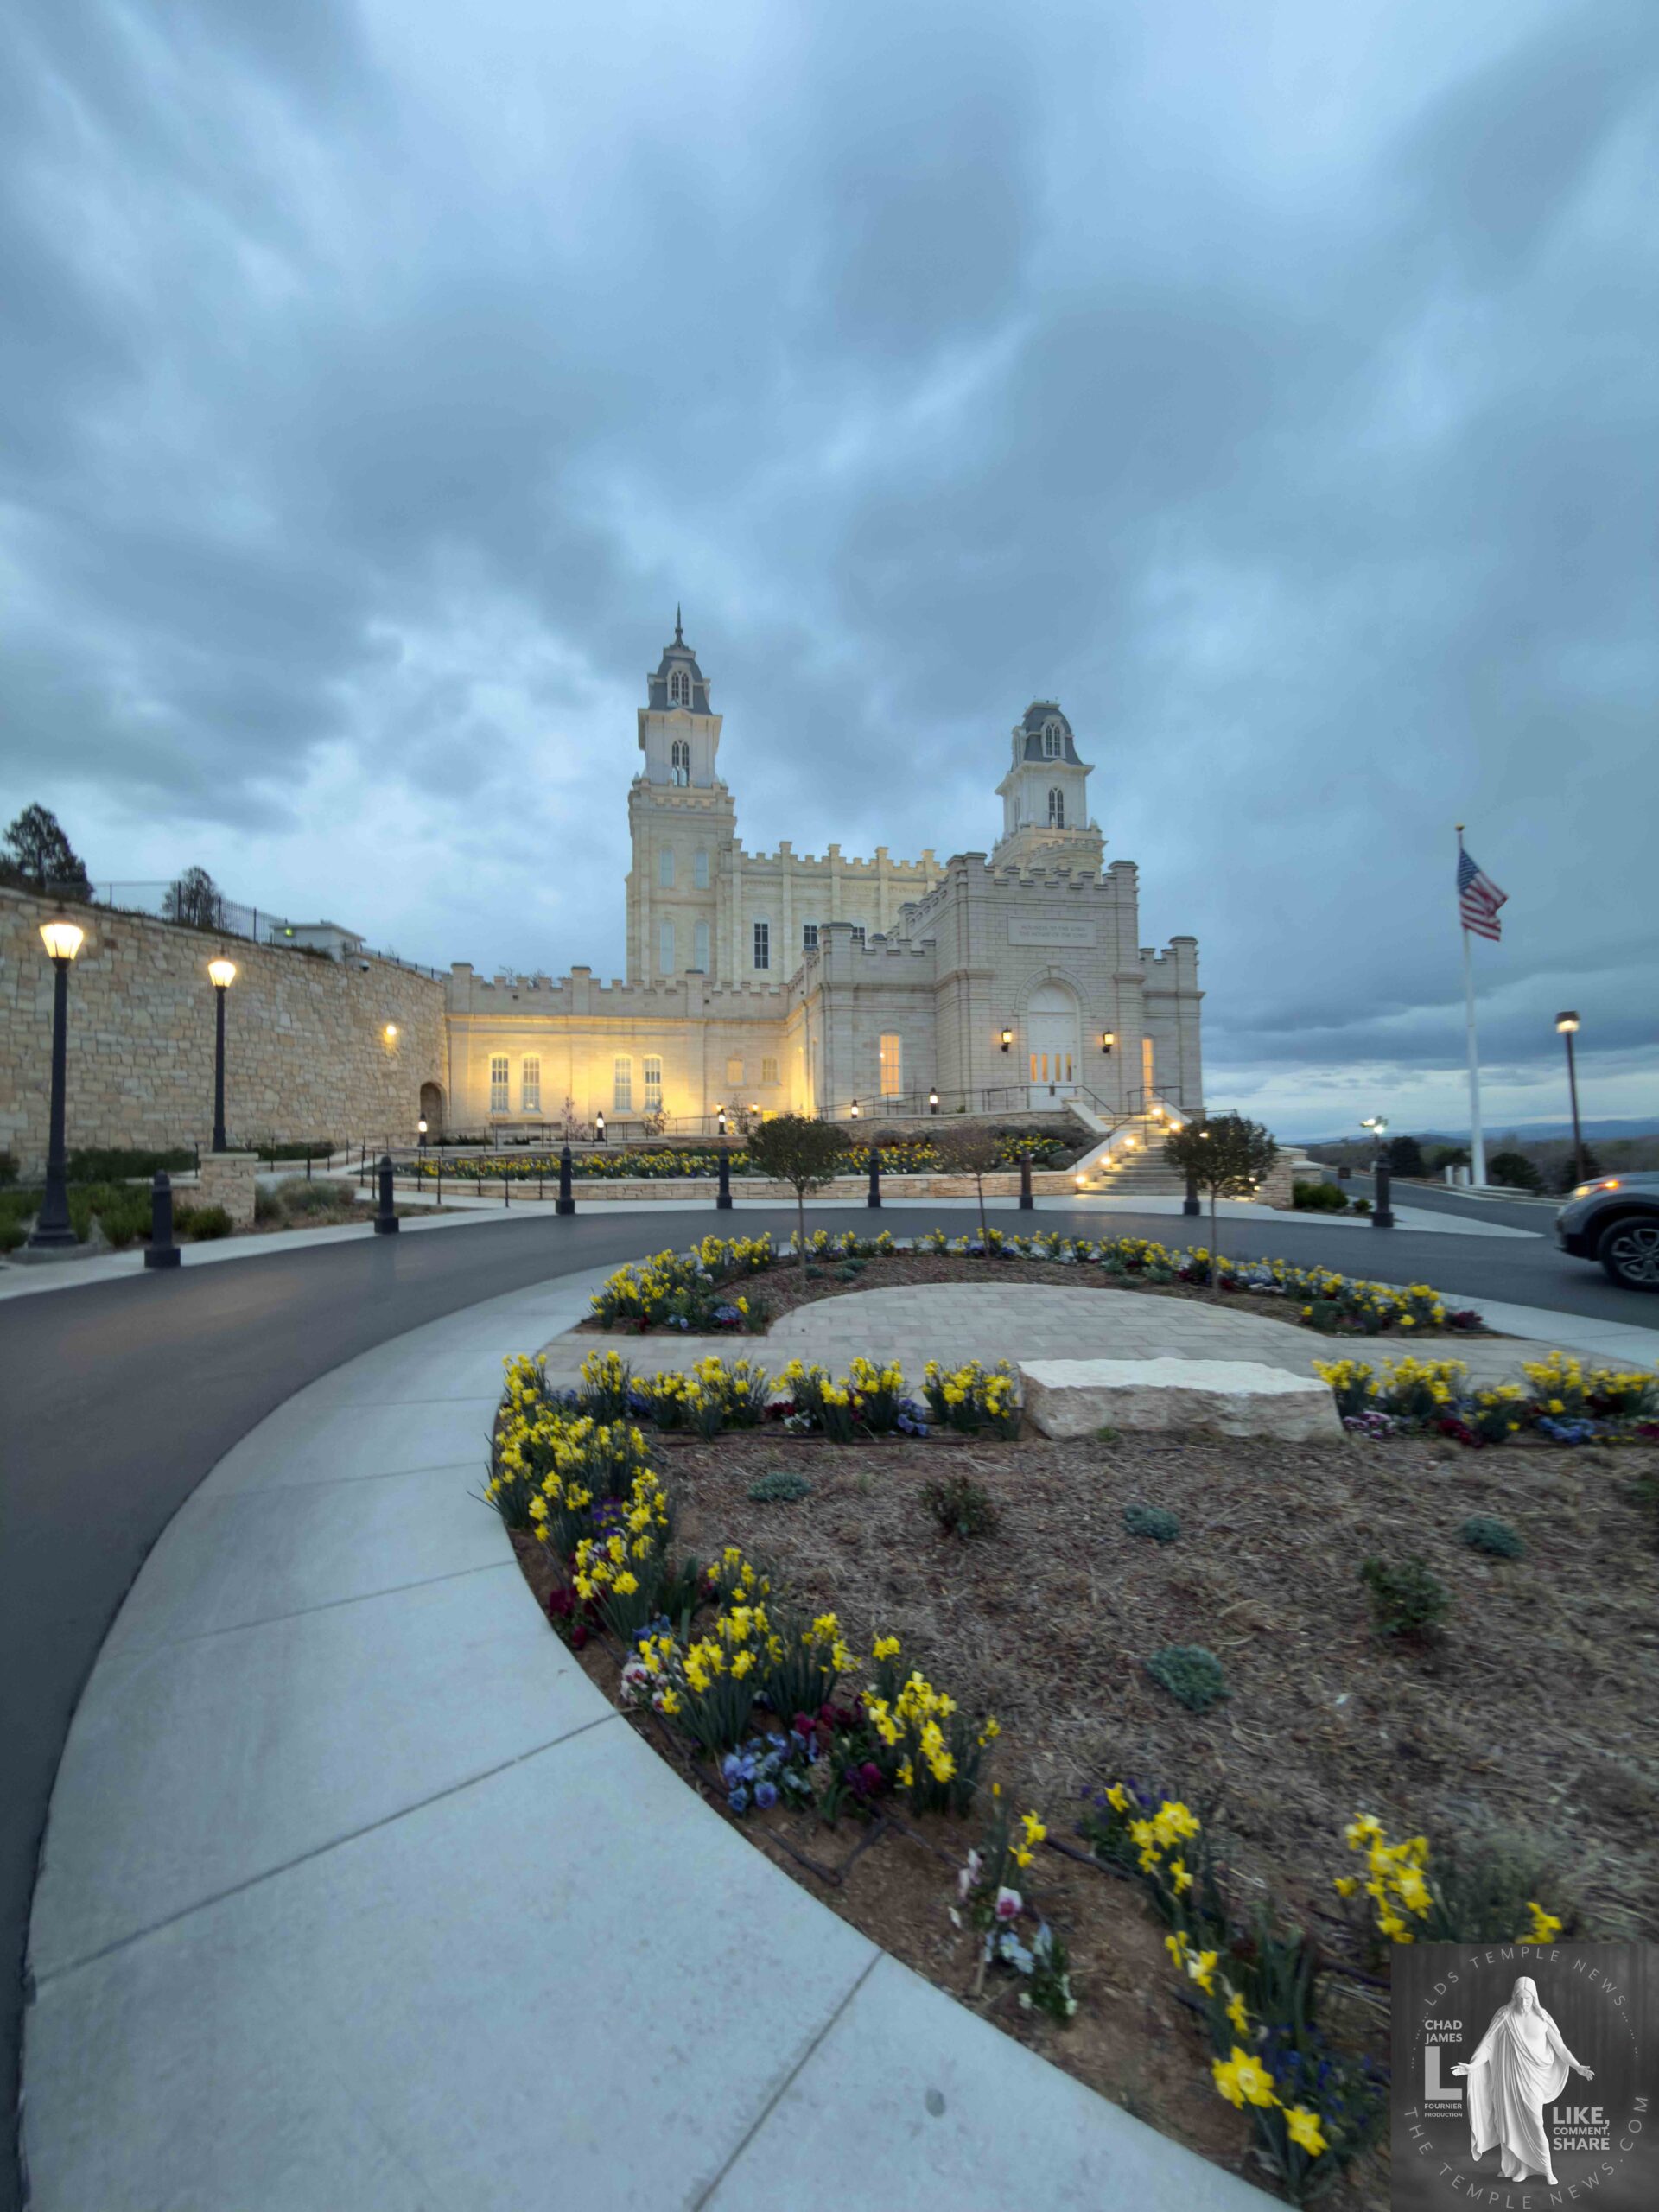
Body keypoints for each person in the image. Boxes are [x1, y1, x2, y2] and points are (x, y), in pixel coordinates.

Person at [1452, 1975, 1594, 2186]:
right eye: (1520, 1998)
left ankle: (1547, 2169)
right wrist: (1472, 2067)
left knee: (1536, 2122)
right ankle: (1520, 2168)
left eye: (1528, 1998)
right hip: (1509, 2080)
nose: (1523, 2003)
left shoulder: (1543, 2018)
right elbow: (1487, 2047)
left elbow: (1561, 2048)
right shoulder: (1504, 2017)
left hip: (1533, 2079)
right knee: (1511, 2123)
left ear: (1534, 1997)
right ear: (1514, 1996)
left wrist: (1577, 2066)